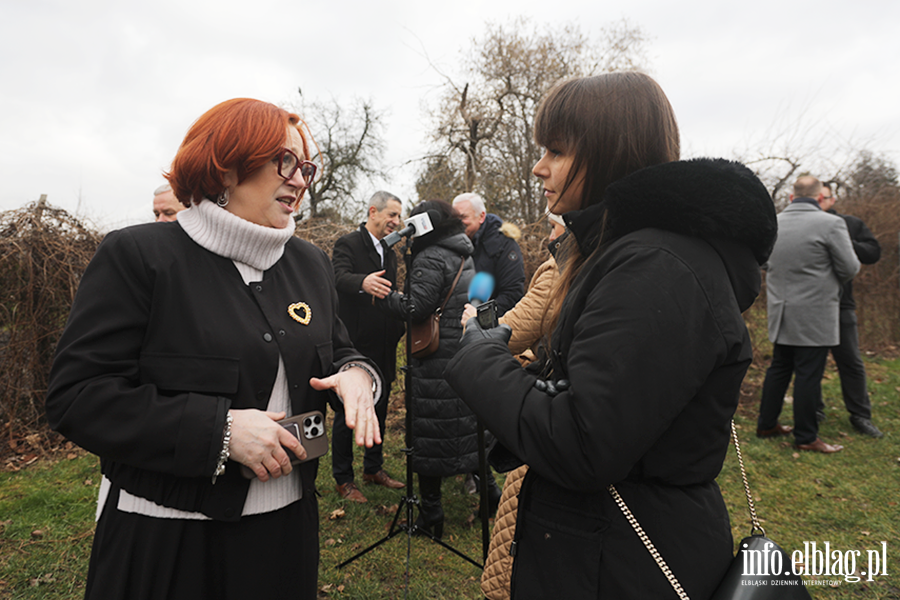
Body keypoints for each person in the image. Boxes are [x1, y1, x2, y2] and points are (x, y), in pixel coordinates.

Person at [444, 72, 778, 598]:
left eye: (556, 149)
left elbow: (584, 441)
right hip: (598, 549)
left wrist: (480, 358)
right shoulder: (625, 254)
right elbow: (600, 397)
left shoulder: (657, 267)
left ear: (609, 151)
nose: (539, 166)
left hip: (624, 562)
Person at [45, 98, 382, 600]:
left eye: (304, 167)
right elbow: (77, 397)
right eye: (284, 162)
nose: (300, 180)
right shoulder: (139, 256)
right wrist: (219, 432)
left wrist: (357, 374)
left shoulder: (309, 262)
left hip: (287, 535)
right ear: (225, 167)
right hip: (170, 541)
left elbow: (337, 351)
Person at [461, 213, 566, 600]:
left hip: (549, 411)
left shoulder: (563, 266)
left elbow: (518, 321)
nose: (550, 235)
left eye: (556, 227)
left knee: (513, 556)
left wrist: (479, 329)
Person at [376, 199, 487, 539]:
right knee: (463, 426)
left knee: (428, 430)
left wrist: (387, 296)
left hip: (433, 357)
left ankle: (431, 513)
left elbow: (417, 306)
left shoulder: (430, 256)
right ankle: (490, 493)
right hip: (459, 350)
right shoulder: (462, 251)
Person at [757, 176, 860, 454]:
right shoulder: (830, 223)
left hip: (781, 309)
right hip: (815, 313)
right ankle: (805, 436)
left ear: (792, 197)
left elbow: (763, 260)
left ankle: (766, 424)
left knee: (779, 368)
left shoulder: (773, 222)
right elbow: (850, 267)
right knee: (808, 374)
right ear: (819, 198)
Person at [331, 191, 406, 503]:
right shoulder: (348, 243)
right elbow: (336, 276)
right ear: (373, 212)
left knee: (380, 405)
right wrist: (362, 282)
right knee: (349, 412)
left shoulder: (390, 252)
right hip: (356, 345)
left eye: (399, 217)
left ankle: (373, 468)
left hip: (385, 344)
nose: (396, 222)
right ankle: (343, 479)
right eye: (391, 215)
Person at [816, 182, 883, 437]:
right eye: (816, 196)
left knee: (851, 361)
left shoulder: (850, 224)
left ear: (832, 200)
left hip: (843, 304)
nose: (820, 200)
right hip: (811, 306)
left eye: (825, 197)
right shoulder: (800, 225)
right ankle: (814, 409)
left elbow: (873, 252)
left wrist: (841, 243)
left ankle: (860, 415)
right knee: (812, 362)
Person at [452, 192, 526, 317]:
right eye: (455, 218)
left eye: (463, 217)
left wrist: (481, 317)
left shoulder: (504, 245)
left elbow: (512, 293)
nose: (458, 223)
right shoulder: (452, 244)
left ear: (481, 217)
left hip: (489, 328)